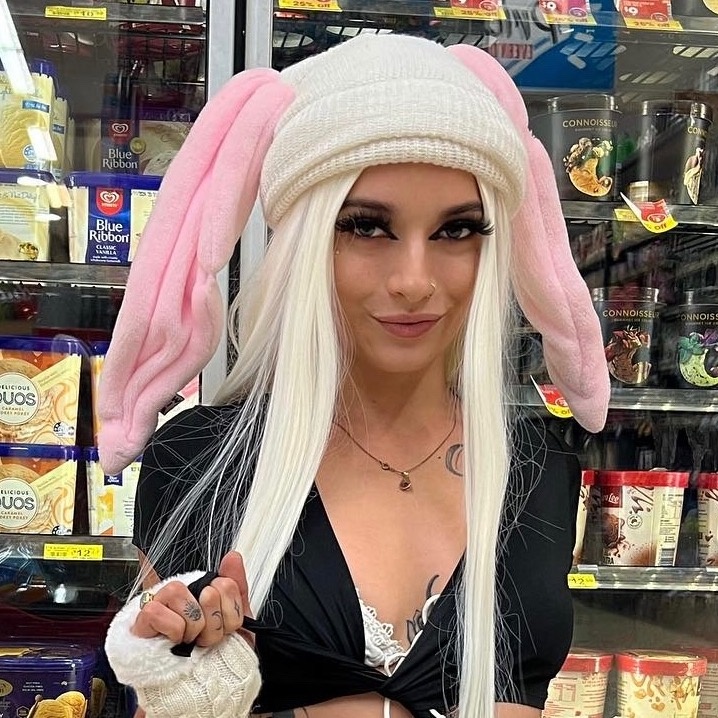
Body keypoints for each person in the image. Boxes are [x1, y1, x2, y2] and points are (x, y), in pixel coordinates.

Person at [101, 32, 610, 718]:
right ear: (304, 243)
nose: (414, 280)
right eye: (366, 227)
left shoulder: (538, 468)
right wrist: (182, 681)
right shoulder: (199, 463)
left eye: (457, 230)